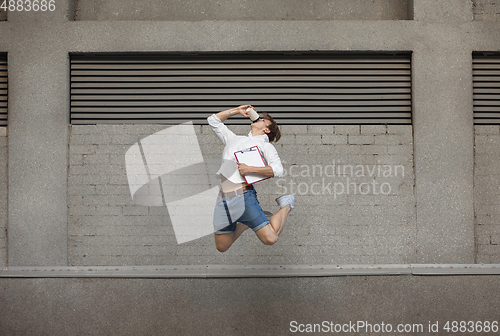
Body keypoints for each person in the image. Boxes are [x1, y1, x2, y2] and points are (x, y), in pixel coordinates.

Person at [207, 105, 295, 252]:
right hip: (223, 199)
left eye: (262, 120)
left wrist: (250, 169)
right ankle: (245, 223)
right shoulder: (234, 139)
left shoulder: (264, 145)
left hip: (243, 196)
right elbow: (213, 120)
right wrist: (236, 111)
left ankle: (286, 205)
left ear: (266, 130)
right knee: (222, 246)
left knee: (270, 238)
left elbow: (278, 170)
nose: (258, 118)